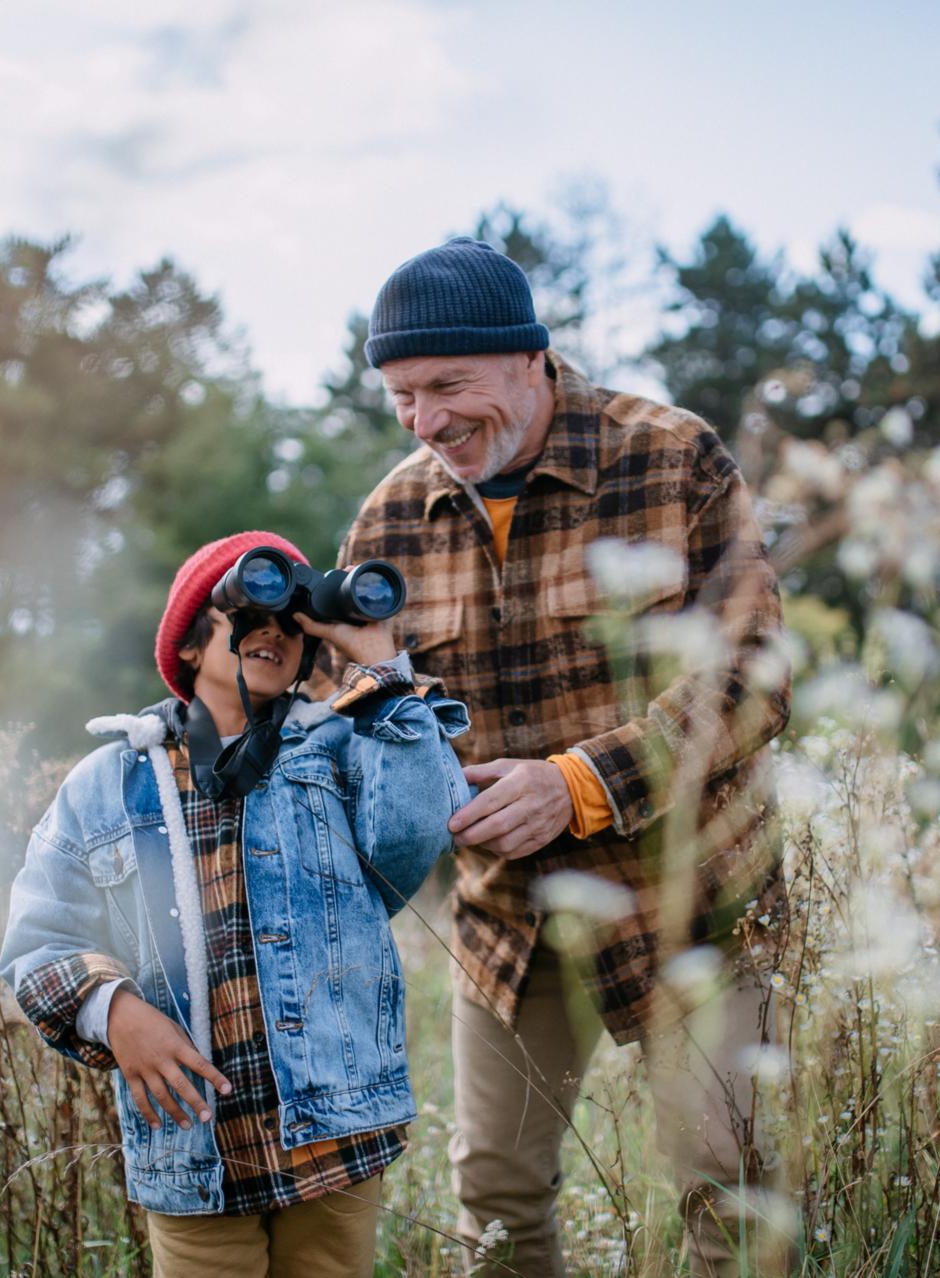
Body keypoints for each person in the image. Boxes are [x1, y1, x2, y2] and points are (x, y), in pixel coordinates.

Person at [341, 238, 794, 1276]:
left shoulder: (671, 457)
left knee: (731, 1197)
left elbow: (755, 675)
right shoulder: (389, 521)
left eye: (447, 385)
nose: (426, 422)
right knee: (495, 1205)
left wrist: (582, 784)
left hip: (692, 906)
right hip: (509, 921)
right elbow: (360, 723)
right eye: (400, 397)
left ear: (532, 356)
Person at [0, 531, 470, 1278]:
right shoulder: (107, 783)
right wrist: (114, 1011)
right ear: (188, 645)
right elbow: (36, 941)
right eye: (247, 611)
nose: (271, 631)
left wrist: (378, 665)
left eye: (290, 619)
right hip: (192, 1147)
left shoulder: (343, 750)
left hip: (335, 1131)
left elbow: (420, 829)